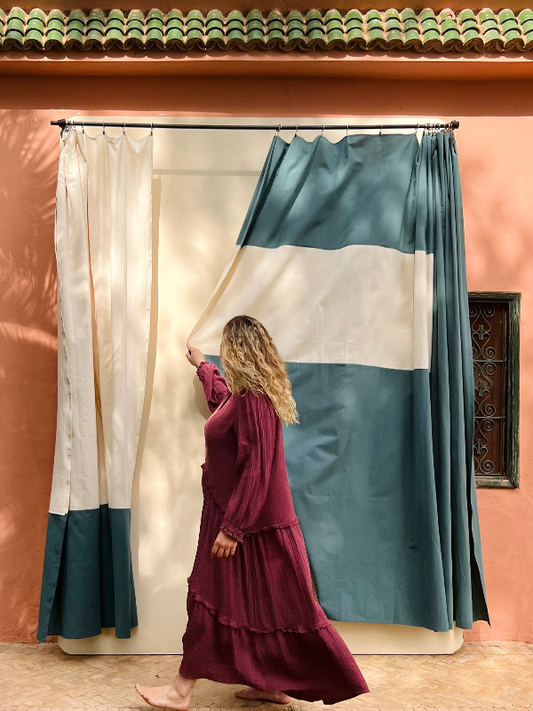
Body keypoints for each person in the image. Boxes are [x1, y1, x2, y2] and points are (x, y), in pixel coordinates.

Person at [136, 315, 370, 710]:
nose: (223, 352)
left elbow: (256, 469)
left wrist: (233, 529)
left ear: (240, 350)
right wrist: (203, 366)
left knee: (214, 597)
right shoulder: (243, 397)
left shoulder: (257, 401)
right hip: (243, 522)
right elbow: (222, 404)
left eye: (226, 346)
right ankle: (273, 685)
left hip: (250, 526)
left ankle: (180, 691)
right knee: (261, 608)